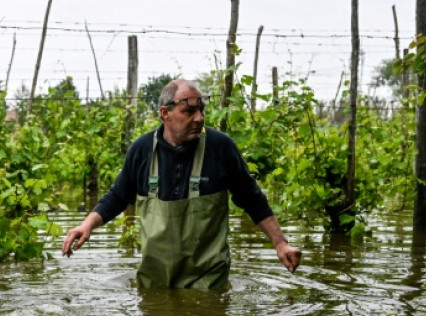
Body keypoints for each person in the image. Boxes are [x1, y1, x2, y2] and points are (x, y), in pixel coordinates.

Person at [61, 78, 301, 289]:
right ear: (166, 113)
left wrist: (280, 244)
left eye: (202, 111)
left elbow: (252, 198)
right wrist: (87, 226)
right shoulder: (142, 150)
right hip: (155, 281)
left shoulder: (221, 148)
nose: (199, 118)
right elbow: (117, 196)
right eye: (189, 112)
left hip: (208, 282)